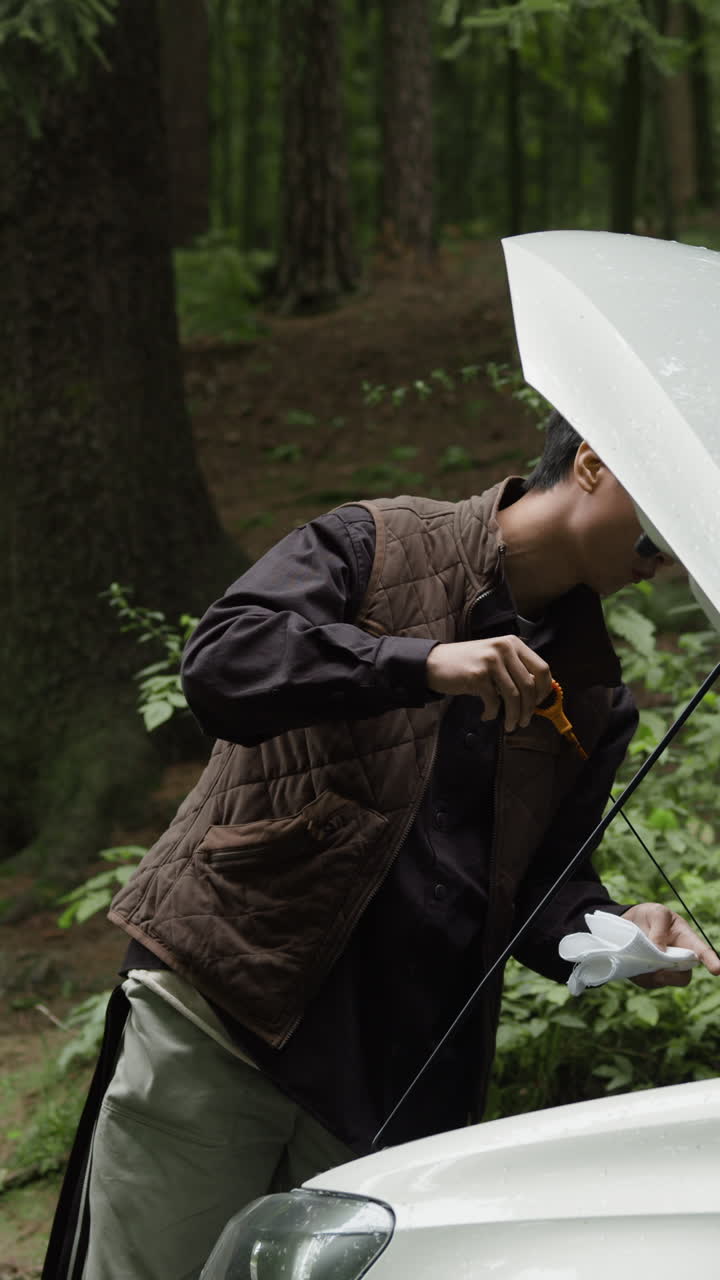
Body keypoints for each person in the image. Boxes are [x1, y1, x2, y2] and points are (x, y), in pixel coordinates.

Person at [43, 412, 720, 1280]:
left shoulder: (594, 694)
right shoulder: (377, 542)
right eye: (659, 516)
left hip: (394, 1080)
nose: (663, 554)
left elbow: (542, 885)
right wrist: (421, 662)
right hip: (226, 1014)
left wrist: (615, 929)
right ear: (591, 463)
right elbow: (222, 664)